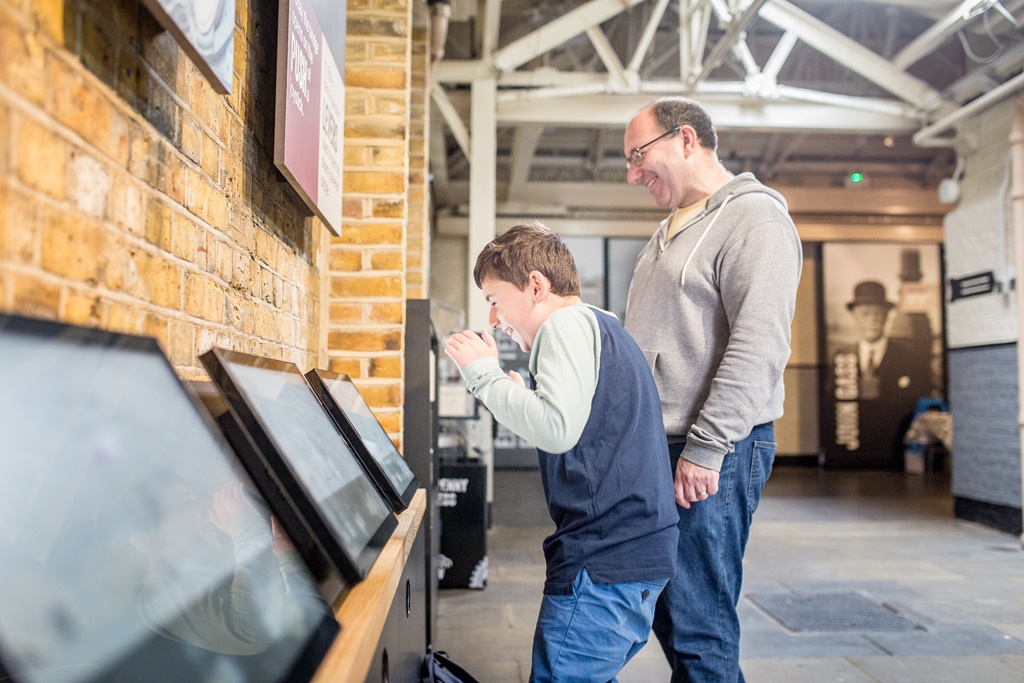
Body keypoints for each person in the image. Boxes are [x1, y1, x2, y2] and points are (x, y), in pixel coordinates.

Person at [444, 221, 679, 682]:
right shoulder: (601, 323)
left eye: (494, 300)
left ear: (535, 286)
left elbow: (556, 430)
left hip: (606, 554)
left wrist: (483, 376)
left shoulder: (565, 325)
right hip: (633, 550)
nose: (494, 319)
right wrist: (519, 396)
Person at [622, 96, 802, 683]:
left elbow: (759, 345)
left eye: (639, 155)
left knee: (699, 624)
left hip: (710, 453)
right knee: (672, 616)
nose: (632, 173)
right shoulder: (673, 225)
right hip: (658, 445)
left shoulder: (755, 219)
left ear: (686, 140)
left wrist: (706, 448)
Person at [840, 280, 931, 465]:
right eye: (865, 313)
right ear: (855, 317)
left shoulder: (907, 357)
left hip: (892, 443)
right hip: (853, 443)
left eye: (877, 313)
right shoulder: (841, 355)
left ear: (887, 315)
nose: (872, 319)